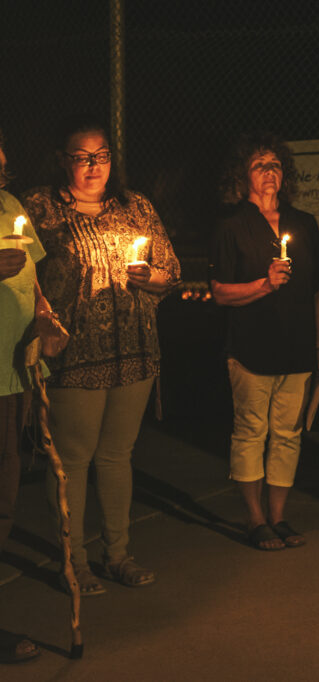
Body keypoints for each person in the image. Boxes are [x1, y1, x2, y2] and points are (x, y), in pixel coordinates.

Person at [22, 120, 179, 595]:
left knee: (117, 456)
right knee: (72, 460)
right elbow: (22, 272)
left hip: (134, 348)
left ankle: (118, 554)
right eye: (82, 156)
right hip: (75, 352)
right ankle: (75, 562)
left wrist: (148, 276)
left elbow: (169, 270)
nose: (93, 165)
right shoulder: (40, 207)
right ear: (62, 159)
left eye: (102, 155)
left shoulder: (136, 206)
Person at [210, 132, 319, 551]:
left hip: (297, 350)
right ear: (242, 175)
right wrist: (264, 285)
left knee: (287, 435)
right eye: (261, 165)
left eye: (276, 165)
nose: (270, 172)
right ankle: (255, 518)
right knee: (251, 432)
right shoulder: (232, 225)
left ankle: (279, 516)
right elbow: (220, 292)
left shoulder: (303, 223)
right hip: (250, 349)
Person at [0, 128, 62, 663]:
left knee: (5, 494)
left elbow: (33, 274)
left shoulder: (9, 205)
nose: (1, 164)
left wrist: (43, 316)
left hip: (15, 374)